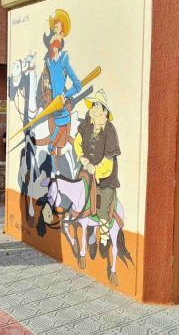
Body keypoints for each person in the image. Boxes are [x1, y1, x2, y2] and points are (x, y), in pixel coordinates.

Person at [73, 89, 122, 245]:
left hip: (105, 177)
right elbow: (77, 141)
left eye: (97, 106)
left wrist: (97, 169)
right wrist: (81, 157)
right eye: (93, 105)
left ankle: (104, 236)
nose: (94, 108)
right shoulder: (87, 123)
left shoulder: (110, 130)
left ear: (104, 111)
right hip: (86, 170)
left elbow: (109, 160)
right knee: (76, 190)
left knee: (104, 203)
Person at [40, 9, 82, 174]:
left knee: (56, 135)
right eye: (54, 28)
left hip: (62, 103)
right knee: (53, 136)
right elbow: (48, 80)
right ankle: (53, 161)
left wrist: (66, 95)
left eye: (57, 29)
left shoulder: (64, 59)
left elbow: (78, 84)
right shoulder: (49, 63)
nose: (54, 34)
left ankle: (56, 157)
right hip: (53, 103)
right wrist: (47, 87)